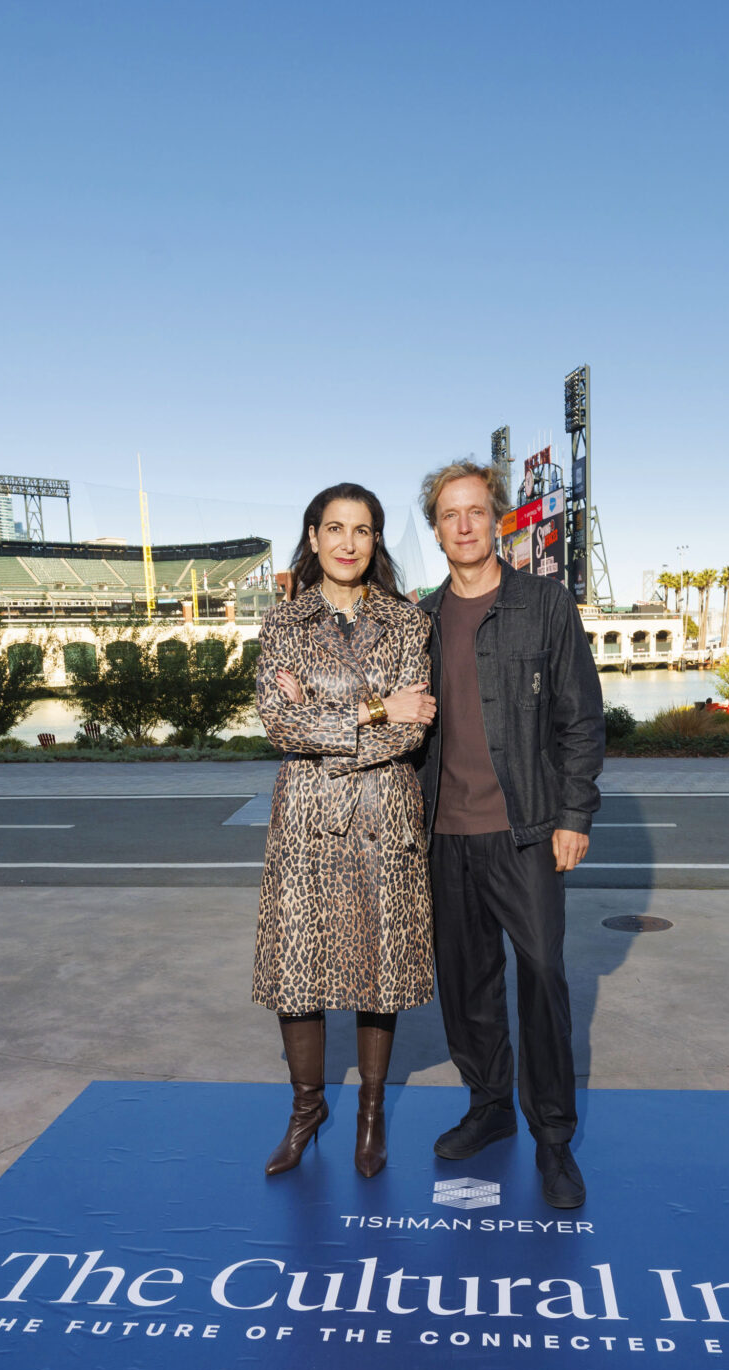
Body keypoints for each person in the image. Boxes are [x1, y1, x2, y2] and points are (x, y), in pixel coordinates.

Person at [414, 459, 606, 1209]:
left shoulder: (546, 605)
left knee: (545, 982)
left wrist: (574, 816)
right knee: (466, 987)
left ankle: (553, 1138)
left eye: (474, 511)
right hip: (443, 836)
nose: (463, 525)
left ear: (497, 519)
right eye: (448, 514)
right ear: (435, 529)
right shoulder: (419, 618)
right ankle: (490, 1108)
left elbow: (580, 721)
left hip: (526, 832)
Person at [252, 482, 437, 1178]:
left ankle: (370, 1111)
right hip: (304, 822)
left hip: (383, 816)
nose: (348, 543)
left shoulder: (407, 623)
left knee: (376, 970)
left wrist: (326, 716)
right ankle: (306, 1109)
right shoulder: (281, 625)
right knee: (296, 970)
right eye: (334, 529)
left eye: (362, 530)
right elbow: (277, 726)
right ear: (312, 535)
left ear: (376, 541)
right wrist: (371, 709)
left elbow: (414, 731)